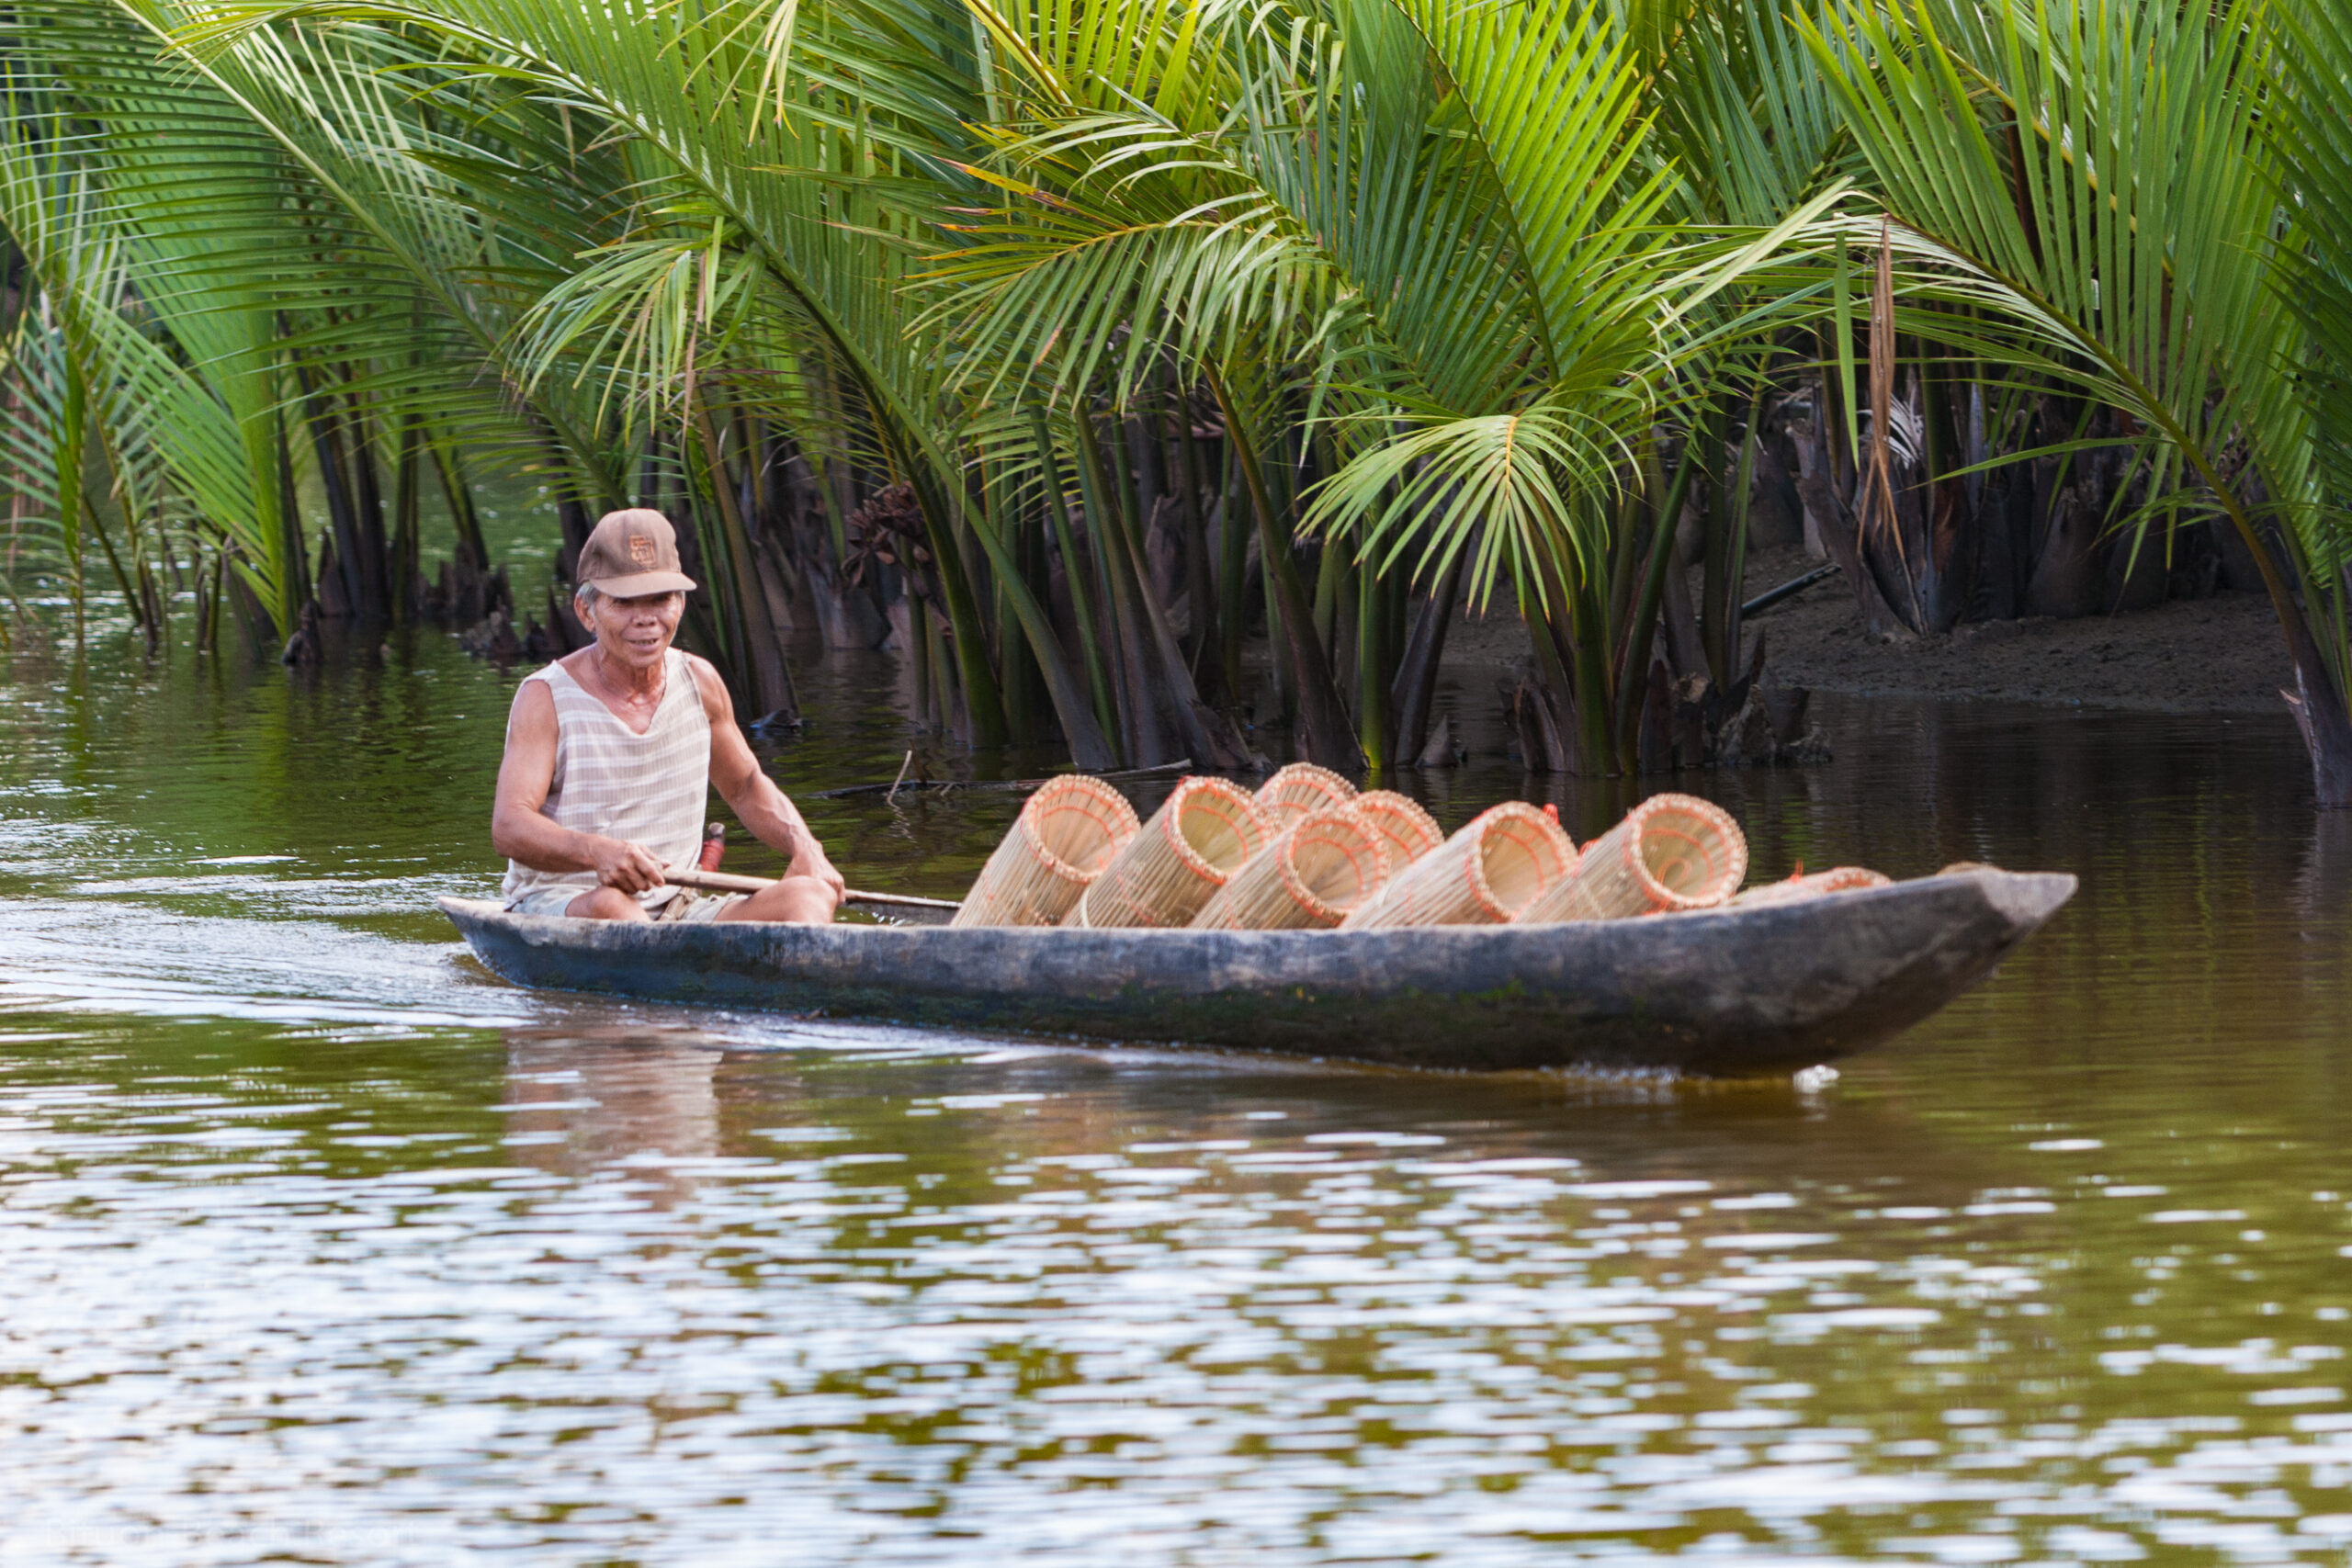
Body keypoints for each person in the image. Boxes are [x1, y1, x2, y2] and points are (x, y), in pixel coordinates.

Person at [492, 508, 843, 922]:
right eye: (624, 602)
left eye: (660, 599)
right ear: (587, 612)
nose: (646, 619)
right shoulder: (545, 696)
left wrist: (806, 847)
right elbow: (509, 826)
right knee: (612, 907)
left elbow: (746, 786)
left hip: (680, 905)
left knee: (809, 896)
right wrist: (597, 851)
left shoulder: (701, 681)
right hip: (564, 902)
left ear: (679, 603)